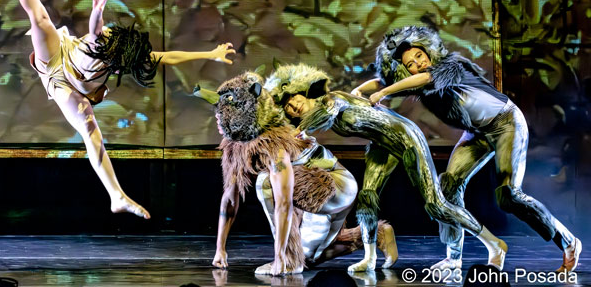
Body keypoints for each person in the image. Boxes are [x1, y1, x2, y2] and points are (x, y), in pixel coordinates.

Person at [1, 0, 235, 219]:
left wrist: (98, 8)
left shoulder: (105, 47)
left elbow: (163, 55)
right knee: (39, 19)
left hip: (60, 80)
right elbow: (109, 33)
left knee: (90, 131)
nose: (108, 31)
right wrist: (209, 54)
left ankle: (116, 195)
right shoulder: (104, 46)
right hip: (58, 57)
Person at [354, 25, 582, 272]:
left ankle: (568, 241)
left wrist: (383, 93)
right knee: (447, 188)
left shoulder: (450, 66)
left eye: (419, 56)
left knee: (509, 196)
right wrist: (359, 91)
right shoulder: (415, 81)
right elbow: (386, 81)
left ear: (428, 52)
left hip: (506, 123)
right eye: (410, 64)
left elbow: (421, 79)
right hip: (477, 133)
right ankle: (453, 258)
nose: (418, 63)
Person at [265, 63, 507, 273]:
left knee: (436, 204)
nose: (293, 106)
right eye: (288, 107)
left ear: (302, 93)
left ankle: (494, 244)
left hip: (405, 138)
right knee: (367, 199)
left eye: (294, 99)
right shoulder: (315, 116)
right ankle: (370, 258)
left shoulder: (331, 99)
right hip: (381, 144)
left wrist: (299, 131)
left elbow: (326, 114)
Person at [194, 73, 396, 276]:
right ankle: (376, 234)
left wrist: (282, 257)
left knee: (265, 183)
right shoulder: (234, 147)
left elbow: (283, 201)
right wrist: (220, 249)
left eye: (223, 115)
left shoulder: (273, 143)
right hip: (308, 186)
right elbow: (230, 199)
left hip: (335, 183)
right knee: (309, 258)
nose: (218, 120)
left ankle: (289, 261)